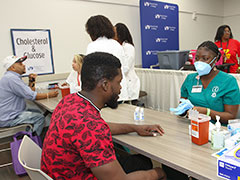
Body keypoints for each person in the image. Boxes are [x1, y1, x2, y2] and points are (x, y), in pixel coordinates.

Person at [41, 52, 166, 180]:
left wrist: (135, 128)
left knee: (141, 162)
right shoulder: (91, 127)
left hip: (60, 173)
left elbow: (100, 128)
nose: (120, 88)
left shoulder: (69, 101)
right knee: (155, 170)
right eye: (118, 82)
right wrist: (158, 173)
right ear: (105, 85)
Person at [172, 41, 240, 124]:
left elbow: (231, 116)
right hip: (193, 127)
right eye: (197, 58)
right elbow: (182, 110)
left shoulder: (228, 81)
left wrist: (207, 112)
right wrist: (184, 110)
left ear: (215, 60)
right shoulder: (190, 79)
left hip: (217, 131)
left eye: (205, 59)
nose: (199, 62)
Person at [0, 55, 58, 135]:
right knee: (39, 118)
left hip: (9, 114)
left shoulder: (10, 77)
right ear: (13, 67)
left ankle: (28, 133)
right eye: (20, 64)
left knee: (38, 112)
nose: (24, 65)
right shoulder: (12, 79)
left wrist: (32, 80)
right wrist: (49, 95)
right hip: (10, 117)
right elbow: (31, 96)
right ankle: (32, 142)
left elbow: (29, 92)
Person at [85, 15, 129, 102]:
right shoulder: (117, 45)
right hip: (119, 93)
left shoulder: (92, 46)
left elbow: (90, 73)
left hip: (101, 96)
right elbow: (125, 68)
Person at [115, 23, 140, 101]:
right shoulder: (120, 47)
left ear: (120, 34)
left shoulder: (128, 47)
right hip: (123, 82)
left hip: (130, 82)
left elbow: (126, 67)